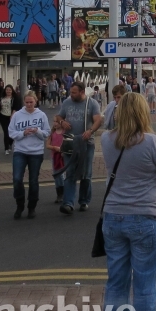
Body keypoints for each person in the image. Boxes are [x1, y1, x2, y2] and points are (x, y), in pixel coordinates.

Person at [100, 92, 156, 311]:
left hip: (113, 218)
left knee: (116, 285)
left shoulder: (106, 139)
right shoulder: (151, 142)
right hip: (146, 217)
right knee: (145, 287)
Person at [55, 81, 102, 215]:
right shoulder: (67, 102)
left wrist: (90, 131)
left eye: (74, 92)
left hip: (86, 143)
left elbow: (98, 120)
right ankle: (68, 203)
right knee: (70, 173)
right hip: (70, 142)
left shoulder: (92, 103)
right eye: (71, 92)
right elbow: (58, 116)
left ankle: (84, 200)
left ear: (82, 92)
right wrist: (62, 121)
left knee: (86, 174)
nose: (71, 94)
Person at [8, 92, 50, 219]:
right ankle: (19, 204)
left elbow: (47, 133)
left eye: (31, 102)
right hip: (20, 151)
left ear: (35, 101)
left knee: (33, 180)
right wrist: (23, 133)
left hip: (36, 152)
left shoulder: (41, 115)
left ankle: (32, 207)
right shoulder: (17, 115)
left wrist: (37, 131)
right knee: (17, 179)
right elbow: (11, 132)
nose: (29, 104)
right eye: (27, 102)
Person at [0, 84, 22, 155]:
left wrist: (12, 115)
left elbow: (16, 107)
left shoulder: (15, 98)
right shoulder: (2, 98)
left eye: (10, 90)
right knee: (6, 132)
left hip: (12, 117)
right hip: (3, 116)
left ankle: (10, 143)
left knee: (11, 132)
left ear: (12, 91)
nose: (8, 91)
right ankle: (6, 148)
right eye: (7, 90)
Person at [47, 120, 67, 203]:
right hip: (55, 156)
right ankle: (59, 194)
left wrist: (62, 150)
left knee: (62, 175)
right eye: (54, 121)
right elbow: (47, 145)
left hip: (63, 156)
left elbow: (68, 143)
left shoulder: (65, 132)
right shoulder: (52, 133)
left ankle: (63, 193)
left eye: (57, 122)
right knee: (56, 175)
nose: (55, 123)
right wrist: (54, 148)